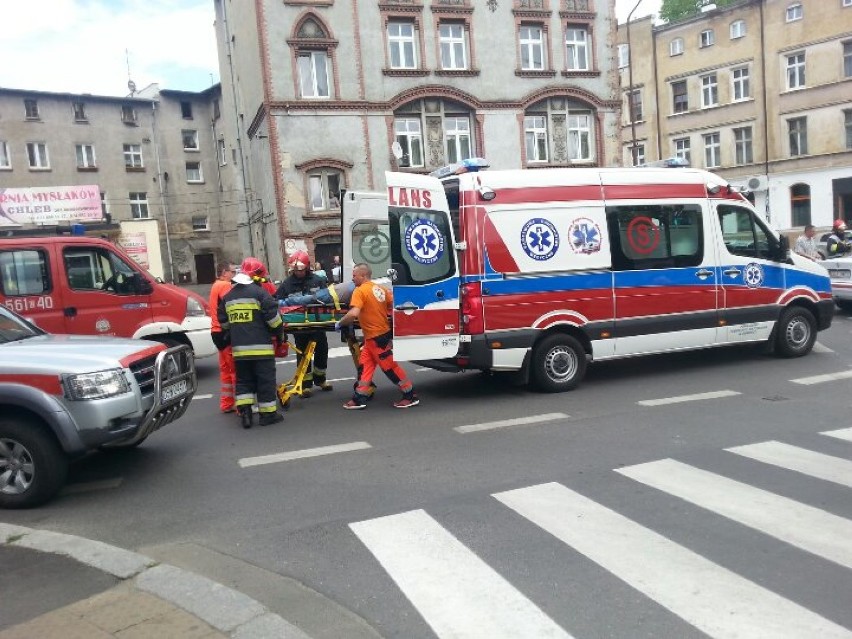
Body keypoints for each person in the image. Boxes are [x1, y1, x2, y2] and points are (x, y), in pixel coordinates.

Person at [335, 263, 419, 410]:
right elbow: (393, 304)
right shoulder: (379, 289)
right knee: (365, 365)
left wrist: (340, 323)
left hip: (376, 337)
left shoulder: (360, 291)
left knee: (390, 368)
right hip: (375, 336)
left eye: (354, 276)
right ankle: (359, 398)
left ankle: (410, 395)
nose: (352, 279)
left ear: (363, 275)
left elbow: (354, 313)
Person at [218, 257, 285, 428]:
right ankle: (268, 415)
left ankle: (246, 415)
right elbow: (274, 321)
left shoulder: (228, 297)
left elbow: (224, 323)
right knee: (265, 381)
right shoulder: (261, 294)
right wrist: (280, 334)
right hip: (261, 350)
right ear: (256, 276)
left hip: (239, 351)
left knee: (243, 381)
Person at [274, 250, 332, 396]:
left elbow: (328, 297)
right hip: (299, 325)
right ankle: (305, 384)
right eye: (295, 270)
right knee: (303, 352)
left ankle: (320, 379)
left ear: (307, 267)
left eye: (300, 269)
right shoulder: (287, 284)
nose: (298, 272)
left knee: (322, 350)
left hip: (318, 322)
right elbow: (278, 302)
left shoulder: (318, 280)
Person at [209, 262, 237, 413]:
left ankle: (226, 404)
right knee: (236, 371)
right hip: (225, 332)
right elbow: (232, 305)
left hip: (216, 331)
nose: (234, 275)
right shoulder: (225, 286)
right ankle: (241, 406)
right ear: (225, 272)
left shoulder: (215, 285)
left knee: (226, 370)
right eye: (232, 272)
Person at [279, 280, 355, 307]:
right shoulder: (357, 287)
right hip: (329, 295)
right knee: (309, 298)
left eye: (354, 276)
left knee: (309, 297)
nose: (353, 278)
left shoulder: (356, 287)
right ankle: (286, 302)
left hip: (329, 292)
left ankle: (290, 300)